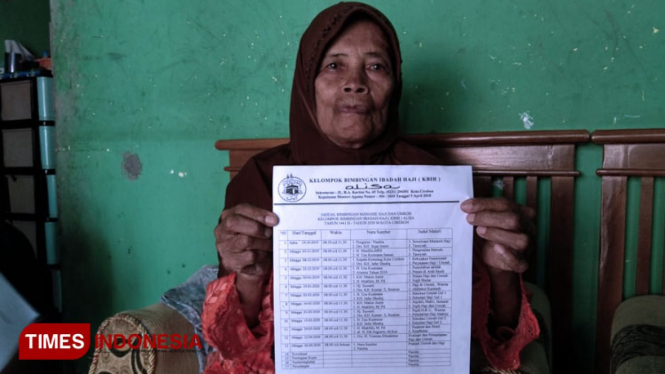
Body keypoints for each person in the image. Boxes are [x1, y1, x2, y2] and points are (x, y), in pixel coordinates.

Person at [202, 2, 539, 373]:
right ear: (306, 82)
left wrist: (502, 272)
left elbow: (491, 342)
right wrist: (249, 275)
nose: (355, 82)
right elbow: (235, 349)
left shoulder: (437, 185)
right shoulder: (261, 180)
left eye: (376, 66)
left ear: (394, 87)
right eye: (334, 65)